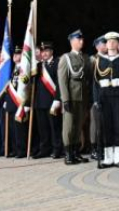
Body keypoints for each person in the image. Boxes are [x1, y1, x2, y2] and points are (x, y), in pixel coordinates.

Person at [92, 31, 119, 168]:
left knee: (118, 126)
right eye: (109, 42)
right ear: (106, 44)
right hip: (104, 97)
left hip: (118, 96)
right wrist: (96, 100)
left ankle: (117, 157)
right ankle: (108, 158)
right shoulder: (100, 60)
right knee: (106, 127)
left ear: (117, 44)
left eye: (114, 41)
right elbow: (95, 83)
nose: (111, 43)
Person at [58, 29, 92, 165]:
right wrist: (65, 99)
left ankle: (76, 152)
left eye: (82, 39)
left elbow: (88, 77)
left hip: (82, 97)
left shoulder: (85, 57)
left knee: (78, 126)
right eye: (79, 39)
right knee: (69, 126)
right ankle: (68, 154)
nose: (82, 42)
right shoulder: (66, 58)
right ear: (72, 41)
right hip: (71, 97)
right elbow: (62, 80)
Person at [33, 41, 64, 159]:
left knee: (55, 127)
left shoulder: (57, 63)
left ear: (51, 51)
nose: (44, 53)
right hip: (39, 102)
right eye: (42, 51)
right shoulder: (38, 66)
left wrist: (57, 99)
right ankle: (44, 149)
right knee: (43, 128)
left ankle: (57, 149)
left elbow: (59, 83)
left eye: (46, 51)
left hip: (52, 101)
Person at [3, 46, 29, 158]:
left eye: (18, 54)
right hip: (12, 102)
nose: (15, 56)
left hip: (20, 103)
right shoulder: (13, 68)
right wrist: (6, 100)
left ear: (22, 56)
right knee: (12, 129)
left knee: (20, 129)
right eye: (14, 54)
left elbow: (26, 86)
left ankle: (21, 150)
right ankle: (14, 149)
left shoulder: (24, 69)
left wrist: (27, 104)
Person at [88, 36, 107, 160]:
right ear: (97, 46)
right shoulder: (93, 59)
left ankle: (103, 147)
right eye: (103, 43)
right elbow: (90, 80)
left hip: (107, 95)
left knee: (105, 122)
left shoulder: (109, 58)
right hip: (95, 95)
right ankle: (94, 148)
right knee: (95, 123)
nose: (106, 45)